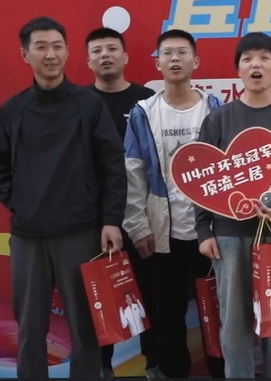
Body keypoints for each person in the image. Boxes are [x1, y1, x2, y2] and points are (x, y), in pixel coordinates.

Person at [0, 16, 127, 379]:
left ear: (67, 52)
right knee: (29, 329)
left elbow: (113, 166)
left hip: (81, 232)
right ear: (25, 54)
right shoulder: (13, 109)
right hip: (29, 235)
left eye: (57, 47)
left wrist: (111, 220)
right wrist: (18, 201)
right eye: (41, 47)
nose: (50, 55)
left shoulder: (89, 104)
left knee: (85, 327)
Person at [194, 32, 271, 379]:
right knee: (234, 324)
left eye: (263, 58)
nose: (255, 65)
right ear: (238, 69)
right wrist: (203, 230)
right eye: (247, 59)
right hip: (229, 235)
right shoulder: (219, 119)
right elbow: (202, 178)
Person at [121, 29, 225, 380]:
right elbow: (133, 173)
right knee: (168, 318)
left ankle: (219, 373)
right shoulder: (144, 113)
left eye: (182, 52)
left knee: (217, 312)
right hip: (162, 235)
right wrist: (138, 228)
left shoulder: (214, 109)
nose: (175, 59)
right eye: (167, 53)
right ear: (158, 63)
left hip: (210, 233)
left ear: (196, 61)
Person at [84, 27, 157, 380]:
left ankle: (154, 364)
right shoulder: (79, 102)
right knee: (100, 294)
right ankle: (101, 367)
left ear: (125, 57)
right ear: (88, 61)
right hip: (94, 218)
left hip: (142, 216)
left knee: (150, 292)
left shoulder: (147, 101)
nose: (105, 55)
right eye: (97, 50)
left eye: (112, 49)